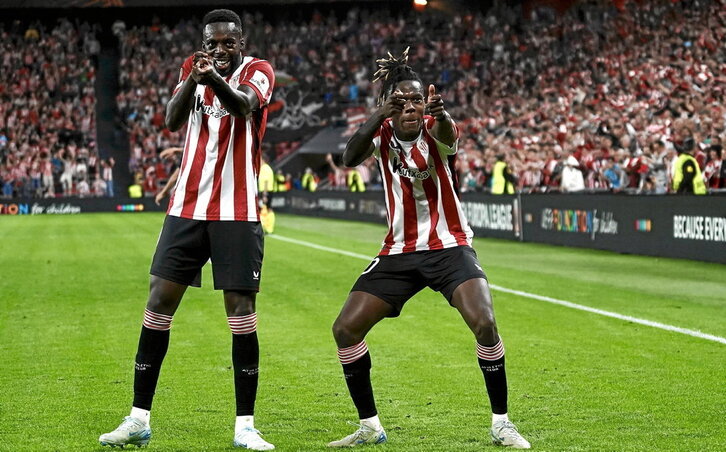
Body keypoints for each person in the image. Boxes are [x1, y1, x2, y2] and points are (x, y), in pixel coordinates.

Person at [328, 49, 530, 449]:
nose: (411, 108)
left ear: (426, 103)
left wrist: (444, 114)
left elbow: (449, 136)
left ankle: (501, 423)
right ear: (389, 106)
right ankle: (370, 427)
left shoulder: (436, 127)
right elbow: (349, 157)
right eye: (401, 101)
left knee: (485, 323)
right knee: (345, 330)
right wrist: (378, 115)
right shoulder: (380, 134)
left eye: (417, 100)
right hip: (399, 252)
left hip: (449, 247)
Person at [99, 9, 275, 451]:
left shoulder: (260, 71)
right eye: (212, 43)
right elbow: (172, 120)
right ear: (204, 42)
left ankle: (245, 426)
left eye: (227, 42)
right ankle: (139, 418)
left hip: (237, 212)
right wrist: (191, 80)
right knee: (159, 302)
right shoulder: (191, 70)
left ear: (241, 40)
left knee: (240, 311)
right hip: (187, 208)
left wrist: (211, 77)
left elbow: (243, 105)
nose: (219, 49)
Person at [672, 128, 707, 194]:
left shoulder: (681, 158)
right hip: (691, 192)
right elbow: (688, 177)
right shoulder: (688, 160)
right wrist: (681, 189)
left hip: (684, 191)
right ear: (694, 147)